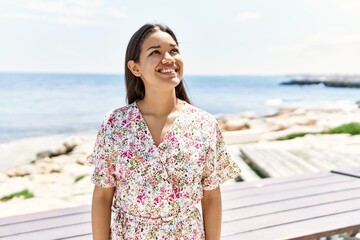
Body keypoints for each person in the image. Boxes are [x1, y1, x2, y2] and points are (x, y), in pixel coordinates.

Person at [87, 23, 241, 240]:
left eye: (174, 50)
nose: (168, 58)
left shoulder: (204, 124)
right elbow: (103, 196)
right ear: (135, 68)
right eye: (155, 52)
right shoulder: (115, 124)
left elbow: (211, 197)